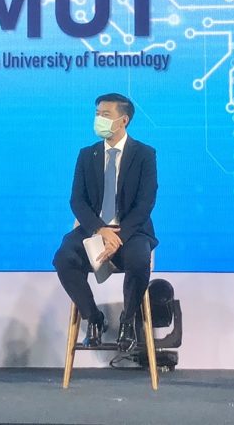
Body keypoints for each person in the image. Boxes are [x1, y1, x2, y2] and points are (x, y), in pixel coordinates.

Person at [53, 93, 158, 352]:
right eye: (97, 114)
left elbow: (145, 203)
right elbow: (77, 200)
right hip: (94, 229)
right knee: (64, 258)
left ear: (123, 120)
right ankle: (94, 318)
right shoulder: (87, 155)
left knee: (139, 260)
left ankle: (128, 321)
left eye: (105, 115)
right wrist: (100, 229)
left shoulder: (144, 154)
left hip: (131, 231)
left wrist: (117, 237)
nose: (99, 119)